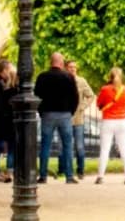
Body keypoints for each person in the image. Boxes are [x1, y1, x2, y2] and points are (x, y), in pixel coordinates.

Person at [34, 52, 78, 183]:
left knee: (45, 146)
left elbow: (37, 96)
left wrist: (41, 112)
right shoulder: (68, 77)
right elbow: (75, 97)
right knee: (67, 145)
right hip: (65, 114)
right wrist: (71, 111)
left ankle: (43, 175)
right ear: (61, 62)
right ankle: (69, 176)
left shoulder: (42, 77)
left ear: (50, 61)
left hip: (48, 113)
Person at [94, 66, 125, 184]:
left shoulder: (105, 89)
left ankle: (100, 176)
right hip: (123, 120)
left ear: (110, 77)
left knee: (105, 149)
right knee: (124, 150)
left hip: (108, 120)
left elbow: (99, 103)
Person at [68, 59, 94, 181]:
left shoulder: (81, 81)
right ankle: (65, 169)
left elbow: (91, 95)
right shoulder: (64, 80)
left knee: (79, 147)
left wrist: (83, 106)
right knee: (65, 146)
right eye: (70, 67)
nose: (73, 69)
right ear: (66, 68)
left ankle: (80, 170)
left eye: (74, 67)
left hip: (78, 119)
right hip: (66, 118)